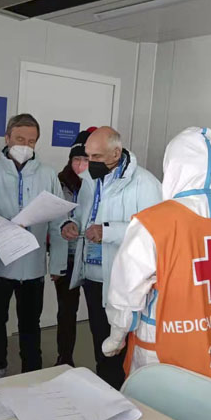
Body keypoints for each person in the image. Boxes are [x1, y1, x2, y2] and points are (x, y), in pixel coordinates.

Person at [104, 127, 211, 394]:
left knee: (157, 412)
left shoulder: (153, 222)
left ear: (172, 166)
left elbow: (127, 288)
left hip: (163, 344)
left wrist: (117, 333)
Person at [61, 126, 161, 389]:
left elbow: (155, 231)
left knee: (124, 346)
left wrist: (109, 232)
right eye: (87, 156)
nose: (89, 162)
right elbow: (81, 213)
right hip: (93, 275)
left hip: (125, 280)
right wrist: (70, 224)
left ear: (116, 153)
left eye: (96, 157)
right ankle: (107, 392)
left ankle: (125, 395)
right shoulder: (90, 179)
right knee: (101, 341)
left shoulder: (145, 183)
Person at [0, 114, 68, 379]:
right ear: (7, 138)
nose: (25, 146)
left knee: (31, 324)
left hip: (32, 266)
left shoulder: (48, 174)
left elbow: (58, 221)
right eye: (19, 139)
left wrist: (58, 264)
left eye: (31, 141)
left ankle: (32, 373)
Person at [54, 128, 93, 367]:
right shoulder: (60, 182)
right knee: (66, 312)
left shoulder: (100, 184)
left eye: (85, 159)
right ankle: (64, 358)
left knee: (97, 312)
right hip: (67, 258)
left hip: (92, 258)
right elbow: (53, 222)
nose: (80, 165)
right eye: (76, 159)